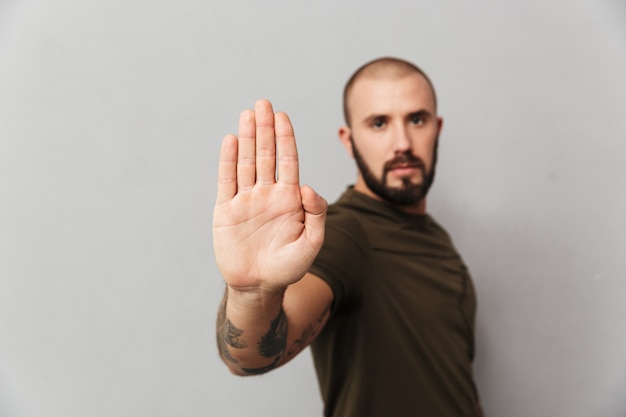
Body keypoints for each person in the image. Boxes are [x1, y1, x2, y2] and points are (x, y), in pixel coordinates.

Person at [214, 57, 483, 417]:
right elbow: (250, 358)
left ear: (437, 127)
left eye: (416, 119)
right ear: (349, 140)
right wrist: (252, 294)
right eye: (378, 123)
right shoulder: (346, 233)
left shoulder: (436, 238)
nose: (402, 142)